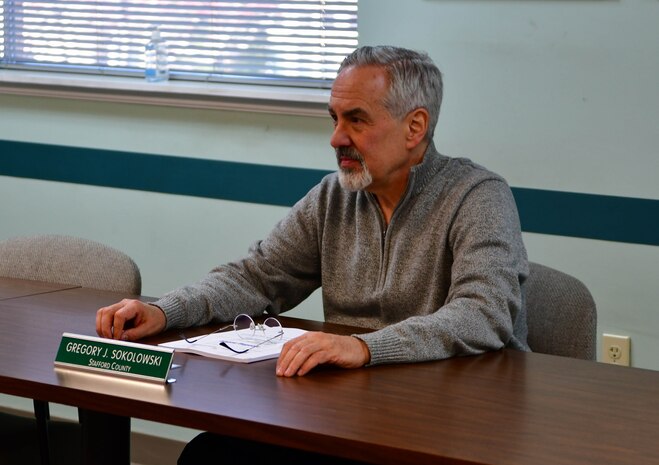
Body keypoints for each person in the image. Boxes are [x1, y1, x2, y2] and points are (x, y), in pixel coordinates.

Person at [97, 45, 529, 464]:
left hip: (453, 422)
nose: (336, 138)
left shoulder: (478, 196)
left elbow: (483, 313)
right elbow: (257, 277)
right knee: (208, 455)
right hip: (353, 411)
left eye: (356, 120)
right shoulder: (333, 196)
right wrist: (166, 311)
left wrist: (364, 347)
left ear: (414, 128)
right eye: (335, 119)